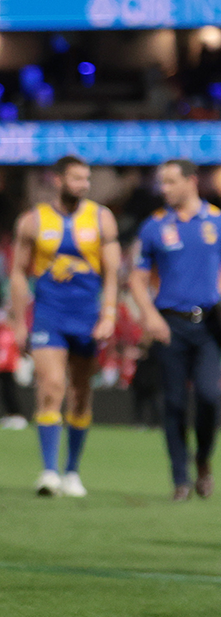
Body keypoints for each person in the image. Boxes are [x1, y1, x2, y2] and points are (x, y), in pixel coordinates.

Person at [129, 159, 221, 501]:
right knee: (172, 402)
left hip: (210, 325)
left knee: (209, 397)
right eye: (162, 182)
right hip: (169, 324)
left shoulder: (220, 222)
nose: (164, 188)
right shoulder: (154, 227)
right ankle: (180, 479)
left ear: (191, 182)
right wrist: (149, 316)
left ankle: (202, 459)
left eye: (171, 182)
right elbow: (137, 280)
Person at [7, 156, 120, 498]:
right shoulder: (33, 221)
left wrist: (109, 314)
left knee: (81, 393)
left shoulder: (102, 218)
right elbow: (17, 273)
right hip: (49, 316)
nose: (83, 184)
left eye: (86, 179)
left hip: (87, 317)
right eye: (76, 178)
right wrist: (17, 322)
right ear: (57, 180)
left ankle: (72, 470)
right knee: (51, 386)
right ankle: (49, 472)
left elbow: (113, 273)